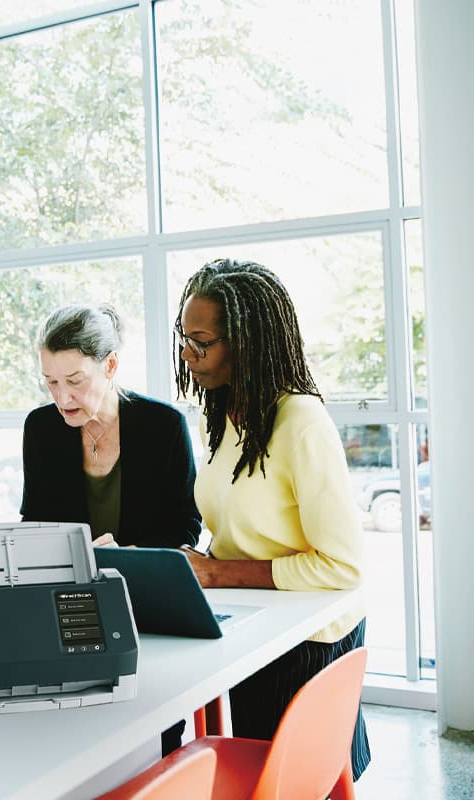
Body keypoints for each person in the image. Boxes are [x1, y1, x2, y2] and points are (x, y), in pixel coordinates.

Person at [173, 258, 370, 779]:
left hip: (309, 641)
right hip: (257, 625)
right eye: (184, 338)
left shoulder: (302, 421)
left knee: (288, 782)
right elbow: (243, 528)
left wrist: (218, 573)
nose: (188, 355)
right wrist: (192, 568)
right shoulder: (220, 415)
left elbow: (343, 567)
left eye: (202, 342)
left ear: (247, 344)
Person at [21, 303, 201, 549]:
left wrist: (130, 558)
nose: (63, 399)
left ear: (110, 366)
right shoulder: (40, 428)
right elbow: (34, 524)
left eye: (75, 381)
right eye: (51, 382)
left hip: (145, 572)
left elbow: (185, 527)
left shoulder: (165, 426)